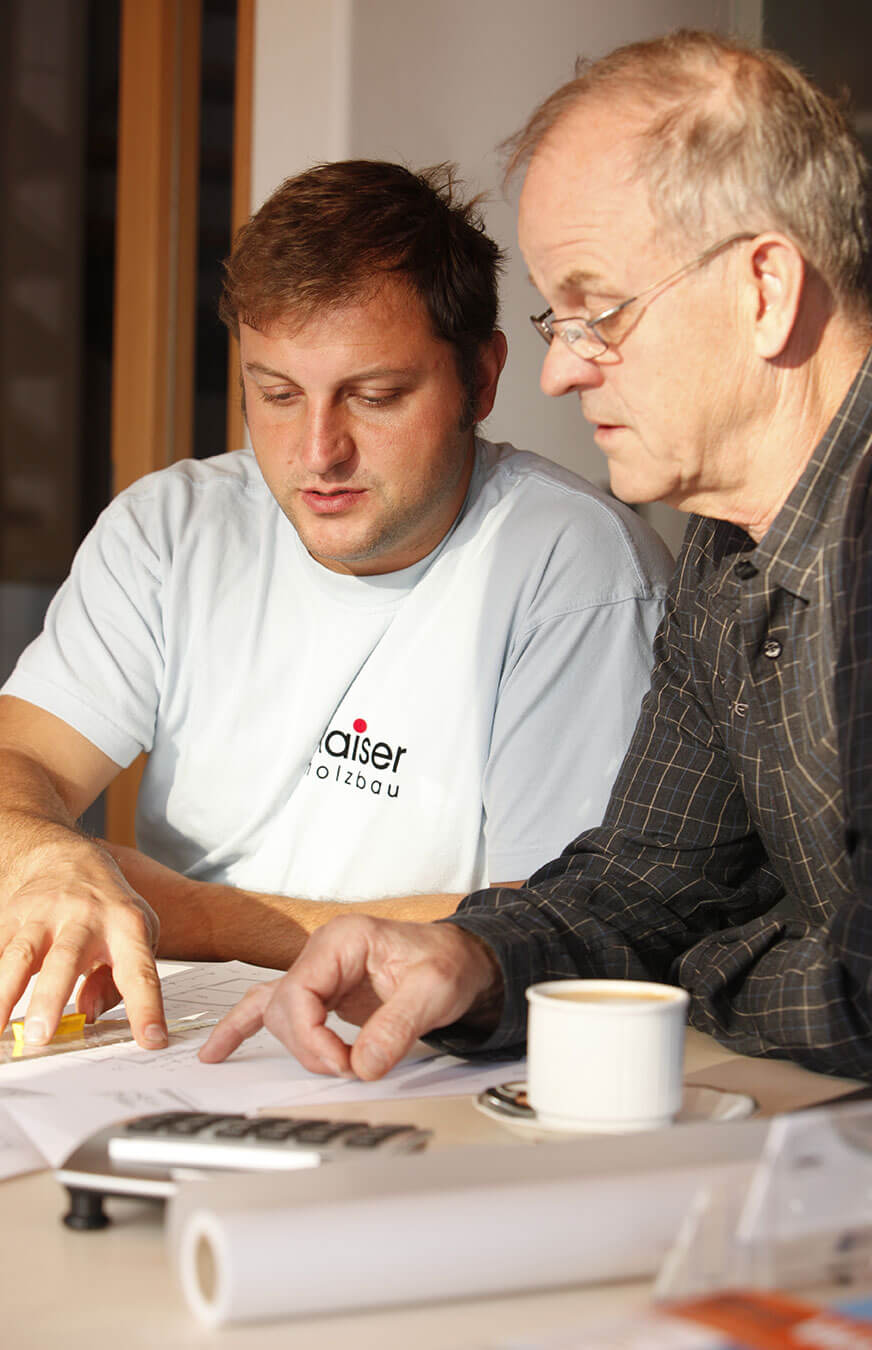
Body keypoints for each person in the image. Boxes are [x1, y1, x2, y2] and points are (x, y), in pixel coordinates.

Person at [201, 30, 872, 1084]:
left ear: (765, 290)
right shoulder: (725, 543)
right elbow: (648, 884)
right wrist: (469, 955)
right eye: (556, 316)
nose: (563, 370)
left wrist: (695, 974)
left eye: (598, 312)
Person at [0, 160, 671, 1049]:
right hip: (175, 1041)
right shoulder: (171, 526)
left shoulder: (575, 564)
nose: (317, 451)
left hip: (429, 1052)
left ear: (480, 377)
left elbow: (546, 926)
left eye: (374, 395)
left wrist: (199, 917)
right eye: (276, 395)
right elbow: (20, 756)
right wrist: (44, 853)